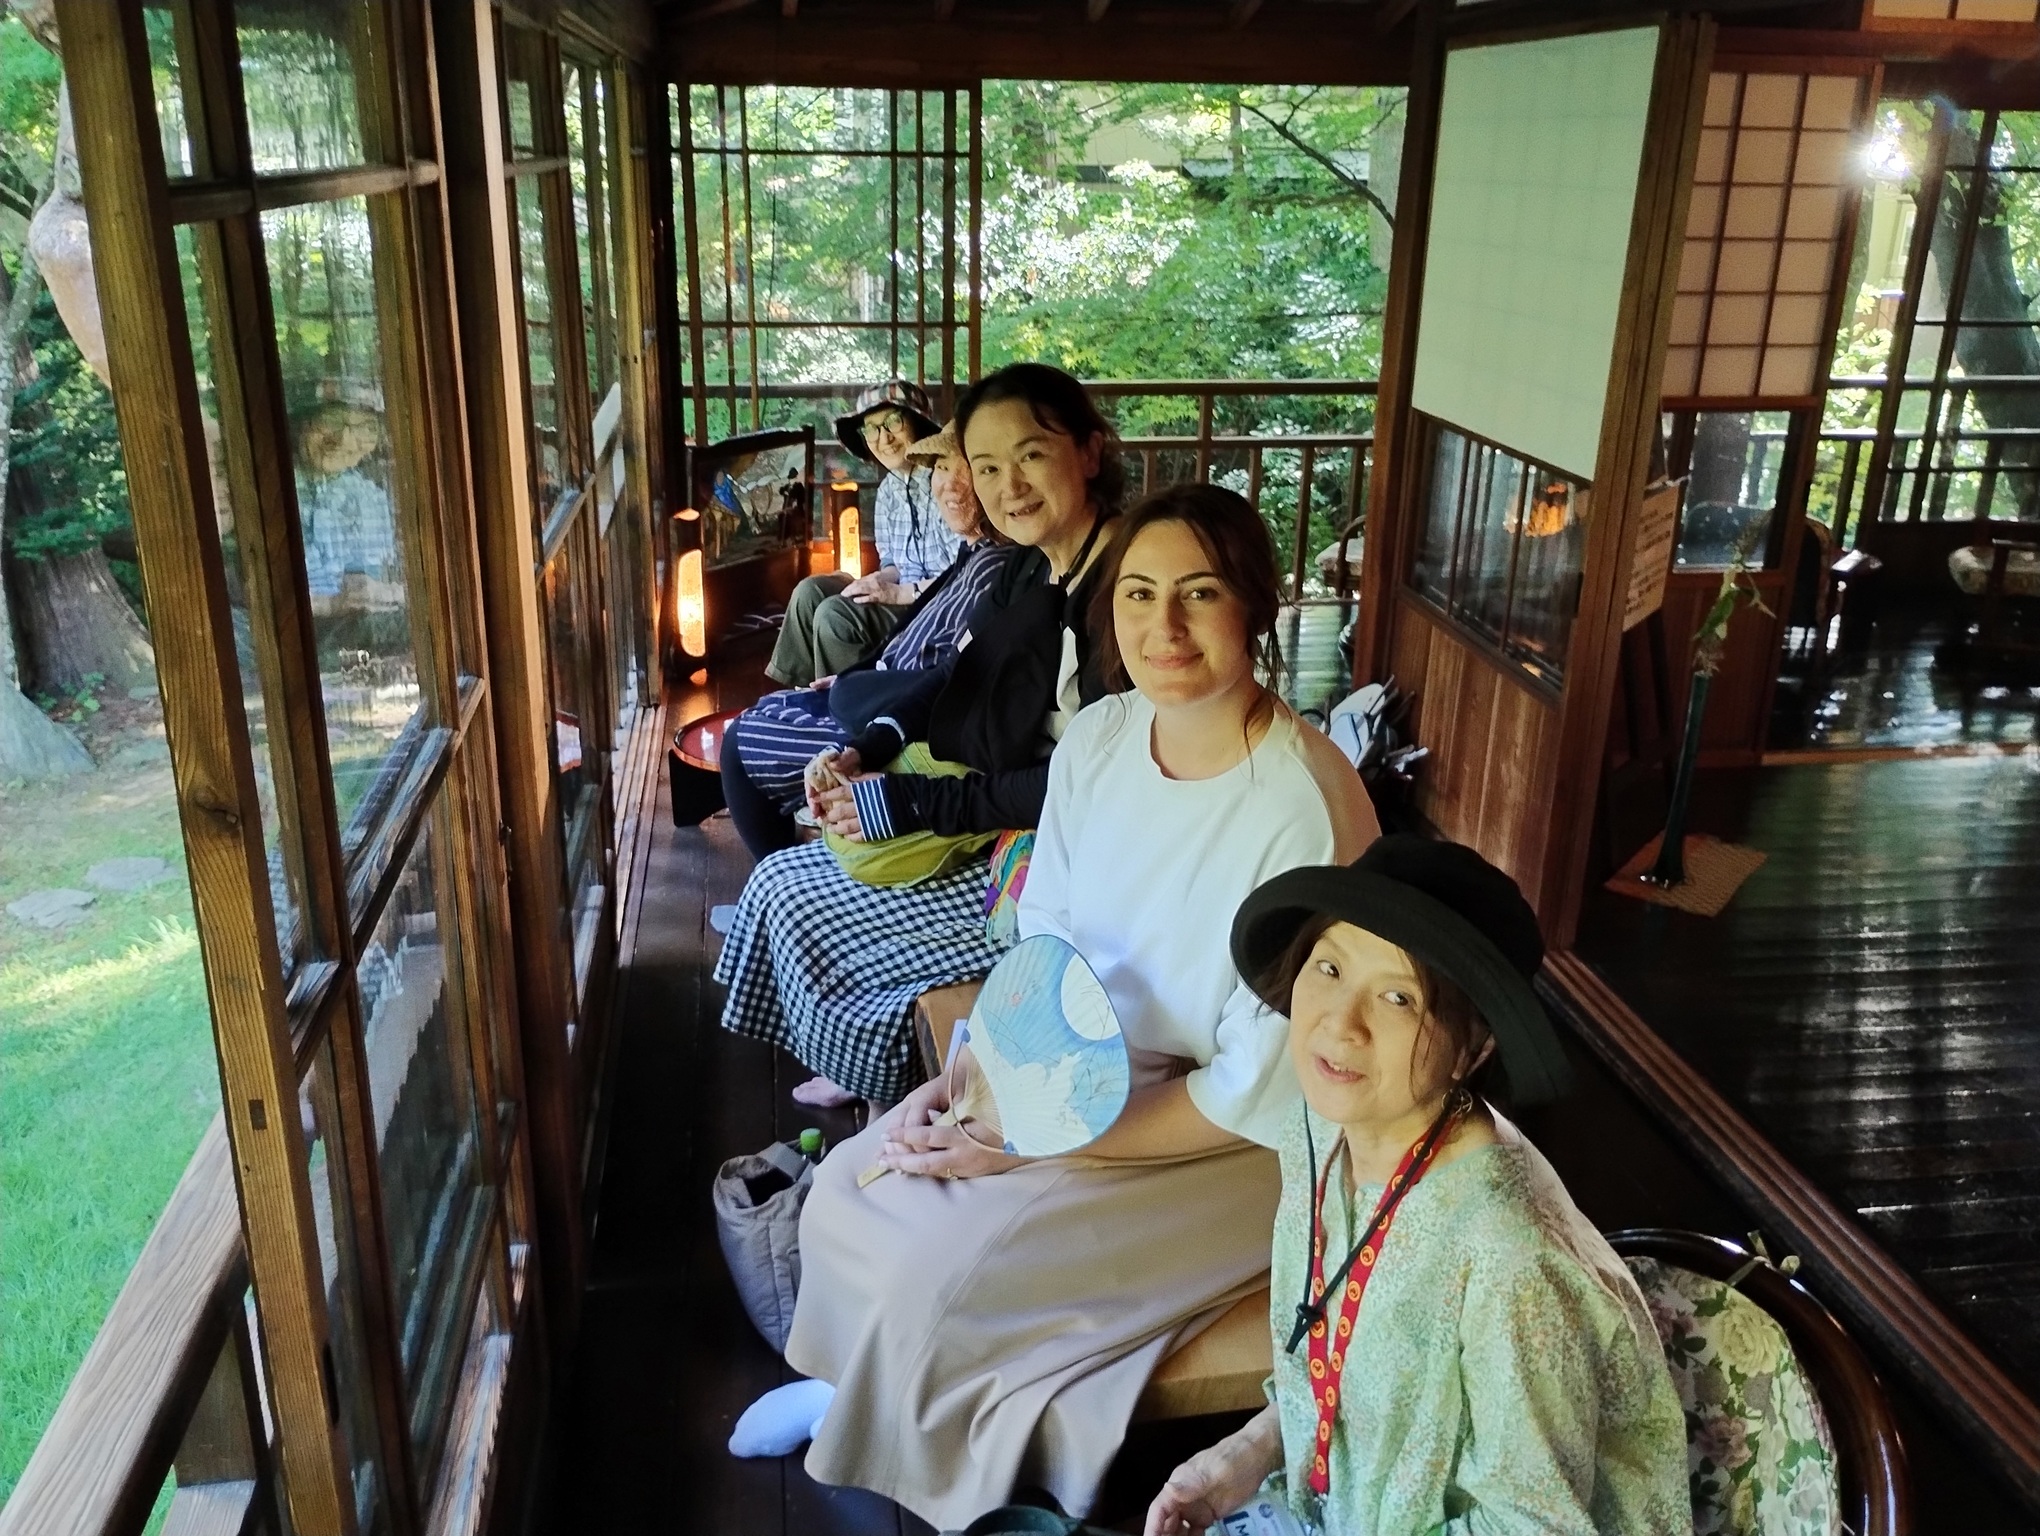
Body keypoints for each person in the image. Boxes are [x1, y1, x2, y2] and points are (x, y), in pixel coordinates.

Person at [729, 483, 1381, 1531]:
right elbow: (1048, 937)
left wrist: (1030, 1144)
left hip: (1236, 1139)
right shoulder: (1103, 738)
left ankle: (886, 1430)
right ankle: (856, 1390)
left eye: (1200, 592)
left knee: (943, 1270)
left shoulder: (1303, 805)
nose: (1164, 627)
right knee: (857, 1176)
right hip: (1081, 1067)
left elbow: (1255, 1089)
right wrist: (979, 1081)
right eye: (1139, 593)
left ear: (1256, 607)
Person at [1142, 837, 1690, 1536]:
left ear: (1473, 1047)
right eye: (1330, 967)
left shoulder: (1509, 1257)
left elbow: (1533, 1527)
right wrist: (1245, 1453)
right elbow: (1344, 1360)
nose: (1341, 1024)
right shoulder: (1319, 1126)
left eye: (1399, 997)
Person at [716, 364, 1125, 1109]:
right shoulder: (1030, 566)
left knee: (800, 903)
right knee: (778, 883)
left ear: (1091, 451)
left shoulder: (1127, 594)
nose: (1007, 486)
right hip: (1001, 803)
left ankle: (904, 1093)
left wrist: (907, 804)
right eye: (986, 466)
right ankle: (885, 1088)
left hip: (1069, 859)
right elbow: (956, 675)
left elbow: (1081, 788)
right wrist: (868, 748)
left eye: (1031, 454)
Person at [721, 419, 1013, 861]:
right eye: (940, 467)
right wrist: (857, 665)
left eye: (967, 469)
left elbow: (951, 673)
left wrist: (865, 677)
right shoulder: (966, 543)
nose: (949, 484)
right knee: (811, 597)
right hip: (892, 669)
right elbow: (904, 582)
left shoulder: (997, 567)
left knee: (741, 739)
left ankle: (783, 866)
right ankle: (795, 835)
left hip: (902, 707)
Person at [767, 379, 953, 686]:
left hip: (937, 606)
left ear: (919, 424)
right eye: (872, 428)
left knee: (836, 615)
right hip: (900, 593)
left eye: (894, 422)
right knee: (809, 592)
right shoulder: (889, 490)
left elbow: (963, 576)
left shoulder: (948, 483)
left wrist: (897, 593)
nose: (884, 438)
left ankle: (847, 705)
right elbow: (893, 563)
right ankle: (797, 695)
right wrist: (878, 579)